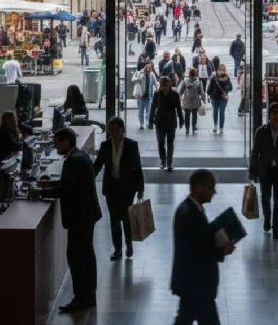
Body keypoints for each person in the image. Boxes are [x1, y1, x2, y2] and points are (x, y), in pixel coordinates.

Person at [171, 169, 236, 325]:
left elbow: (198, 243)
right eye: (210, 187)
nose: (214, 192)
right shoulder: (190, 215)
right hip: (197, 285)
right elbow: (195, 252)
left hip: (193, 284)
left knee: (185, 318)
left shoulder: (190, 209)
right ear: (198, 187)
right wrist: (222, 250)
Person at [54, 128, 102, 313]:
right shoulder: (80, 156)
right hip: (87, 215)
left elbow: (66, 189)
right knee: (86, 256)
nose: (56, 147)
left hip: (79, 217)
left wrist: (42, 192)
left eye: (57, 143)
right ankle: (89, 296)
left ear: (66, 142)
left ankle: (81, 298)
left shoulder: (73, 161)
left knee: (76, 257)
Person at [93, 117, 144, 260]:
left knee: (126, 218)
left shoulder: (131, 145)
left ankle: (129, 244)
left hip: (127, 188)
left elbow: (138, 168)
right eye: (111, 131)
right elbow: (97, 166)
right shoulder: (105, 146)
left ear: (123, 130)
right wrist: (88, 177)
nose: (114, 134)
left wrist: (140, 188)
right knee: (114, 220)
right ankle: (117, 249)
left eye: (117, 130)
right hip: (111, 188)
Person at [249, 103, 278, 239]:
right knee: (265, 197)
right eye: (273, 113)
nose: (276, 116)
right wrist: (252, 169)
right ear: (269, 115)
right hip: (265, 169)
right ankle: (267, 219)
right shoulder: (261, 131)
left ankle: (276, 227)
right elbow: (255, 152)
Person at [149, 76, 184, 171]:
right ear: (161, 85)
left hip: (171, 122)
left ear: (170, 85)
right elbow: (153, 108)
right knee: (160, 143)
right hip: (159, 122)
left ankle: (169, 163)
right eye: (163, 85)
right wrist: (150, 121)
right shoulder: (157, 95)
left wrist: (181, 119)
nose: (165, 87)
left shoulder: (175, 95)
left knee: (170, 143)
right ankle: (162, 160)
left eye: (167, 84)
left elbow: (179, 108)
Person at [131, 62, 158, 130]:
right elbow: (133, 79)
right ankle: (141, 124)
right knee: (141, 110)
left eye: (150, 67)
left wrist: (158, 89)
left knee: (149, 110)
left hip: (149, 95)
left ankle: (147, 122)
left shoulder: (152, 74)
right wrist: (140, 77)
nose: (149, 68)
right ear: (145, 67)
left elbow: (156, 82)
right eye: (148, 67)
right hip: (141, 95)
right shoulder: (139, 72)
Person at [207, 64, 233, 134]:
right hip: (215, 98)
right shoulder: (214, 78)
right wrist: (208, 94)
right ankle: (215, 125)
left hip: (223, 98)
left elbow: (231, 87)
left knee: (222, 113)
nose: (222, 71)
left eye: (223, 70)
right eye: (220, 69)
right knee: (215, 112)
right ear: (218, 70)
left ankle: (221, 127)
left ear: (225, 70)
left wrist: (226, 91)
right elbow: (210, 88)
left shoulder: (227, 78)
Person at [179, 68, 205, 135]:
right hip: (195, 100)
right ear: (196, 74)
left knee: (187, 115)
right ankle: (193, 128)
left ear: (189, 74)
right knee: (194, 114)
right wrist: (203, 99)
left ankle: (187, 129)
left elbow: (180, 91)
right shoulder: (198, 82)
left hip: (187, 100)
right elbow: (201, 92)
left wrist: (180, 98)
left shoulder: (185, 81)